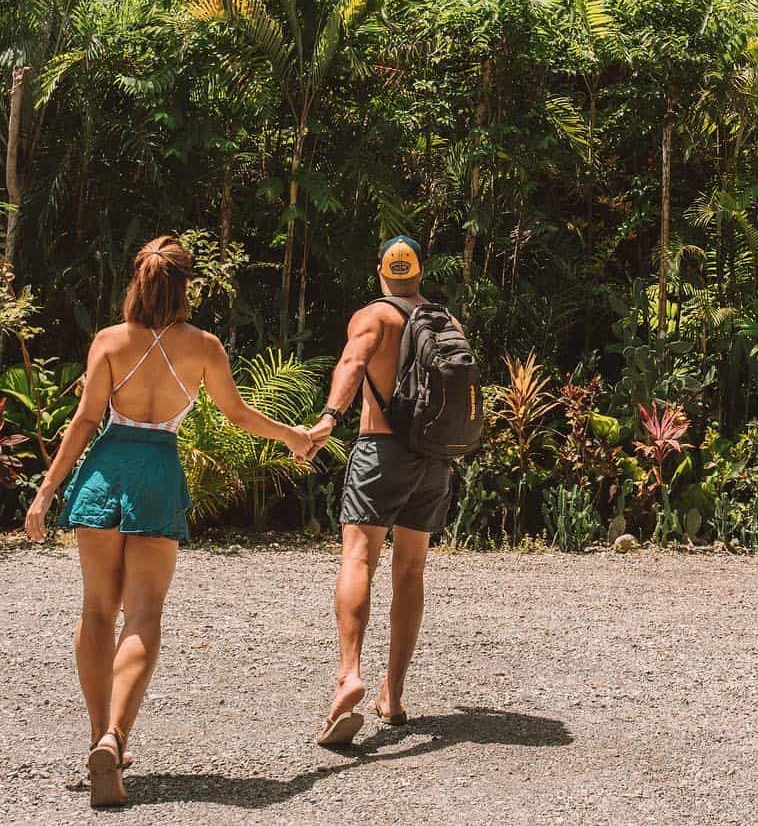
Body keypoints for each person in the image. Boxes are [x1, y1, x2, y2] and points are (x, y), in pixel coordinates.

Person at [23, 235, 314, 808]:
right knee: (144, 615)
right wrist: (294, 436)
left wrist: (46, 490)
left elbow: (83, 423)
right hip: (158, 474)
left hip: (106, 469)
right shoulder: (203, 347)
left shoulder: (110, 341)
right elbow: (237, 414)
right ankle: (115, 736)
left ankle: (95, 733)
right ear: (185, 286)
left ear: (138, 280)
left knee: (96, 611)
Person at [306, 235, 455, 747]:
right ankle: (392, 696)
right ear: (420, 271)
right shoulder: (445, 321)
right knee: (410, 569)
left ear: (380, 272)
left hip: (380, 450)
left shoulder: (374, 317)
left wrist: (329, 417)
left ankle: (350, 674)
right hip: (433, 458)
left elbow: (351, 363)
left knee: (358, 558)